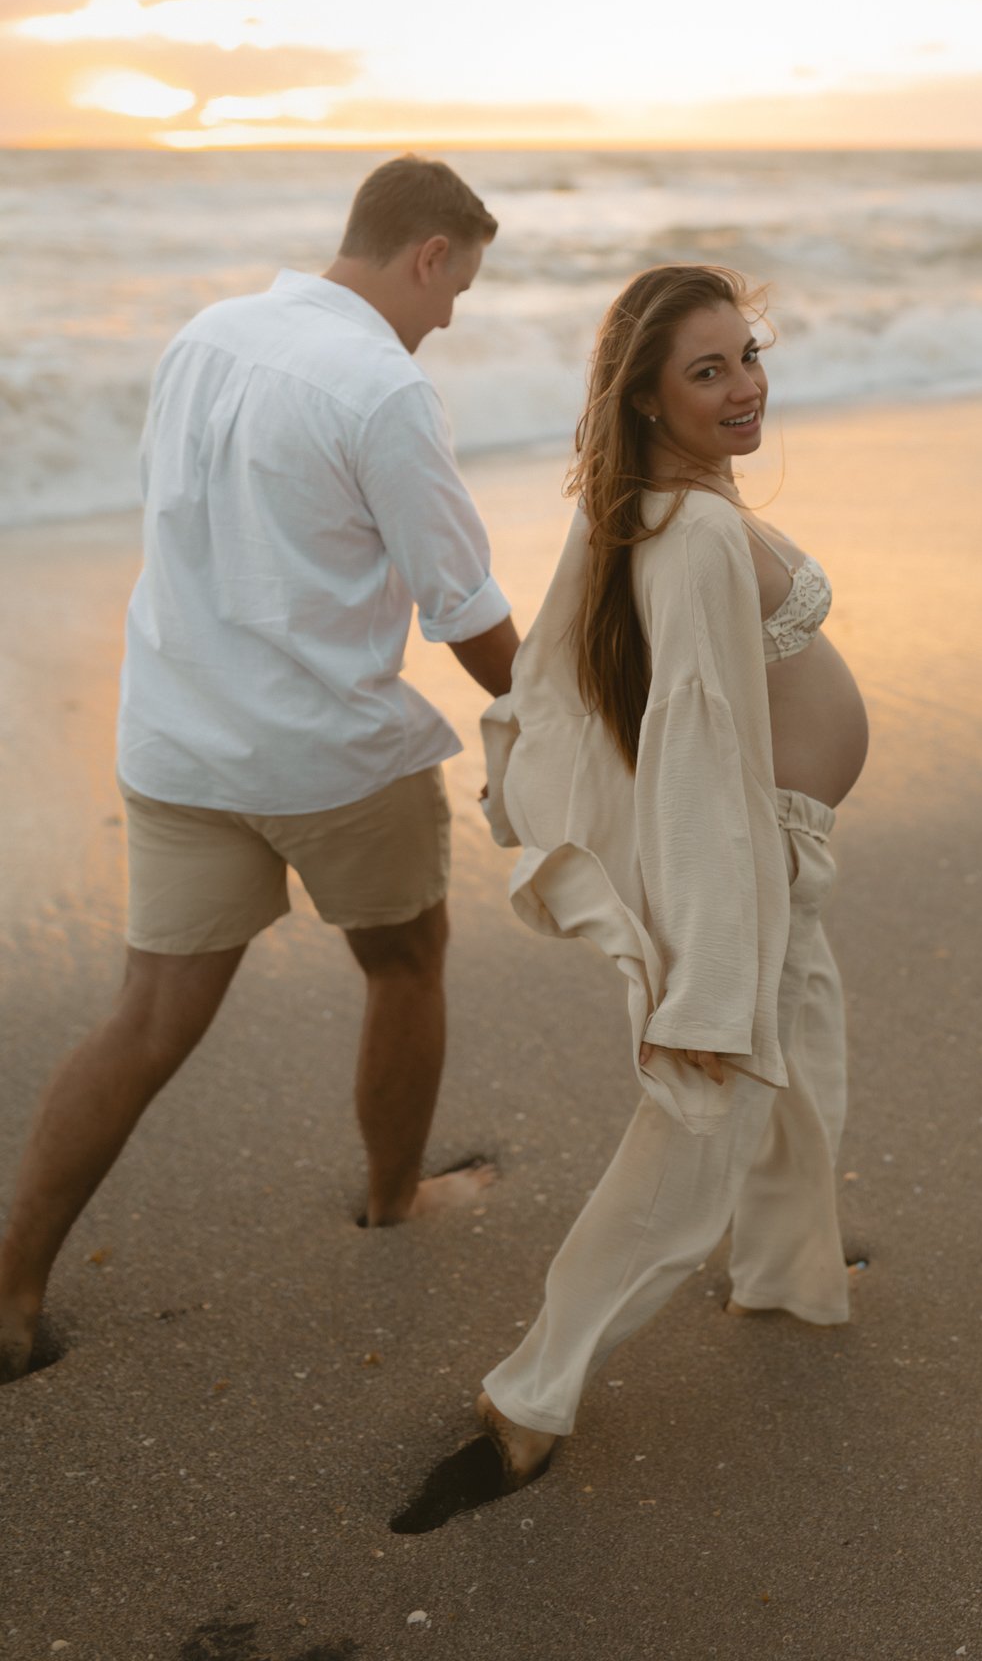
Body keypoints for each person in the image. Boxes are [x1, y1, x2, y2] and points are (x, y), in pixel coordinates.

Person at [0, 155, 519, 1383]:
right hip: (326, 755)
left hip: (176, 736)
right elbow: (464, 607)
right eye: (456, 289)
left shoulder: (207, 332)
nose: (449, 318)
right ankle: (396, 1199)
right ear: (428, 253)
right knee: (406, 961)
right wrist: (569, 708)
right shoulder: (385, 388)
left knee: (147, 1016)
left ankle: (12, 1283)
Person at [390, 262, 869, 1531]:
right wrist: (705, 976)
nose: (744, 386)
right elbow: (702, 752)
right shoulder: (697, 530)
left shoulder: (652, 507)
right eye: (706, 370)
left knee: (805, 1063)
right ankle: (531, 1393)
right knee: (690, 1133)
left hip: (777, 850)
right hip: (748, 861)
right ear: (648, 399)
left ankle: (785, 1273)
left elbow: (563, 665)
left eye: (748, 354)